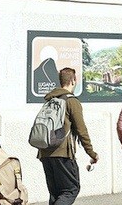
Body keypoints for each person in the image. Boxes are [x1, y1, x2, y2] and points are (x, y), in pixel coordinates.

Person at [38, 67, 97, 205]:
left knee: (56, 194)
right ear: (73, 81)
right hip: (63, 153)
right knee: (71, 190)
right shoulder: (71, 101)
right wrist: (91, 152)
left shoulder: (49, 100)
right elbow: (81, 130)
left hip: (45, 152)